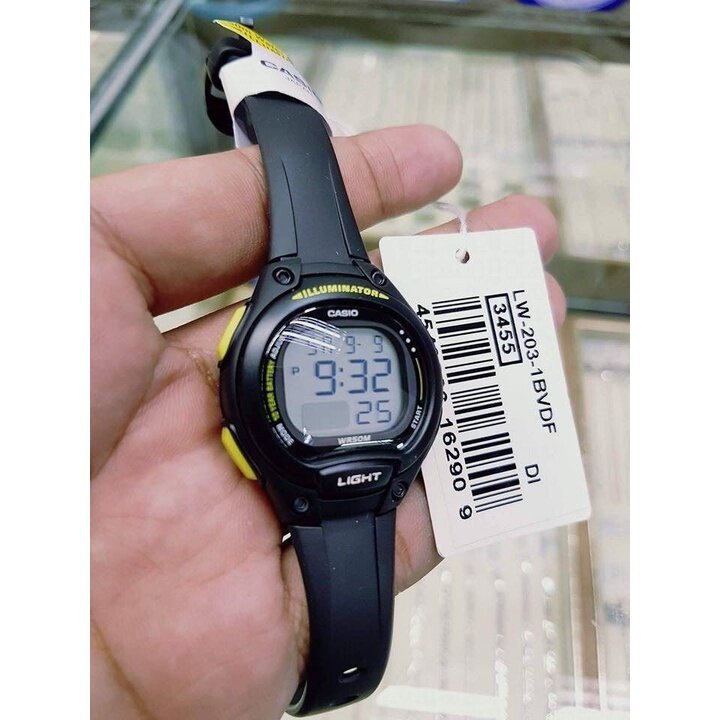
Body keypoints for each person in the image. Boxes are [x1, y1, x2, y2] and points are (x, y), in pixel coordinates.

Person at [91, 124, 565, 720]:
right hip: (334, 476)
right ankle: (334, 684)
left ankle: (333, 682)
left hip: (372, 467)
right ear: (237, 372)